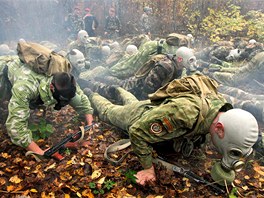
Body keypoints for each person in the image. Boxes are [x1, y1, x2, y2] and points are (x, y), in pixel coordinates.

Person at [84, 74, 259, 186]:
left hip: (157, 110)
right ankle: (90, 93)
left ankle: (119, 90)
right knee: (109, 112)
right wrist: (148, 168)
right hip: (141, 117)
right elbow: (137, 131)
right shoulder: (184, 114)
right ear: (219, 129)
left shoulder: (221, 110)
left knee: (133, 102)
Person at [0, 55, 94, 159]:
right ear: (51, 87)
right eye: (63, 100)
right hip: (3, 77)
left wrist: (89, 125)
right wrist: (40, 152)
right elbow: (16, 128)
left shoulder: (64, 78)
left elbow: (82, 101)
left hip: (22, 70)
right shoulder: (26, 87)